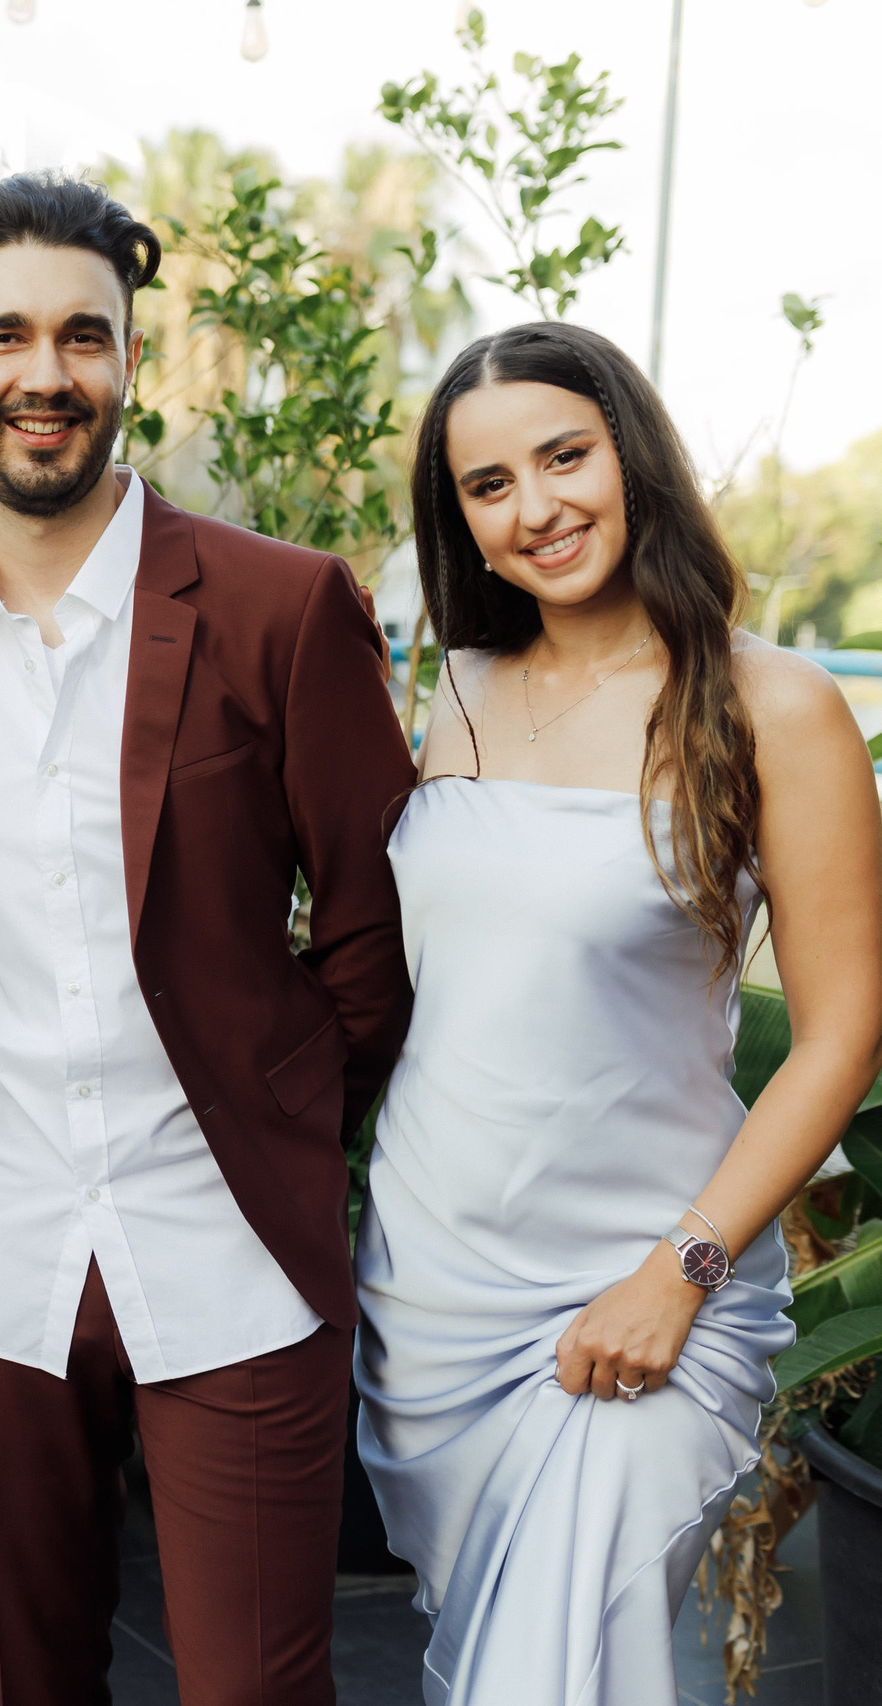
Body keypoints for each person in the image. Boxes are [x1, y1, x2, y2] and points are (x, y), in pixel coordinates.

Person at [0, 172, 418, 1706]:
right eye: (6, 335)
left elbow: (380, 919)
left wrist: (285, 1115)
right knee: (31, 1674)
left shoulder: (281, 609)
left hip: (224, 1237)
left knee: (255, 1684)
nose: (46, 374)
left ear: (131, 363)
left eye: (83, 336)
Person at [354, 321, 882, 1703]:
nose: (537, 508)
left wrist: (680, 1269)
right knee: (488, 1659)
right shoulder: (451, 694)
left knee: (570, 1665)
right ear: (458, 521)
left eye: (564, 455)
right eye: (489, 485)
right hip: (433, 1282)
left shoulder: (777, 703)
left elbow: (841, 1032)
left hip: (648, 1282)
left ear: (630, 453)